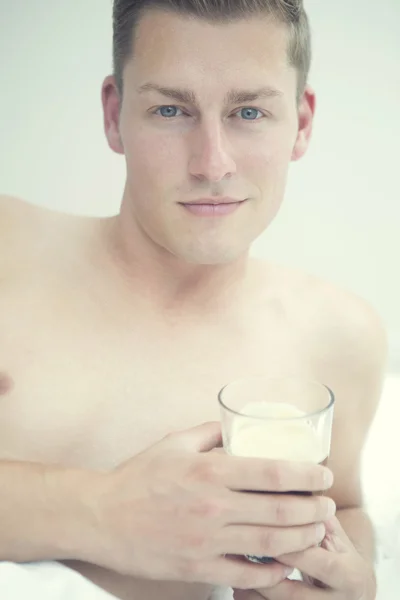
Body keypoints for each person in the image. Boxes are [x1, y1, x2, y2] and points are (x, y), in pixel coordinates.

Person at [0, 0, 387, 599]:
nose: (213, 164)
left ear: (302, 124)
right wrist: (106, 514)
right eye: (171, 109)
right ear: (113, 114)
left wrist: (342, 578)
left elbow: (345, 507)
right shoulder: (8, 252)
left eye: (249, 111)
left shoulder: (339, 334)